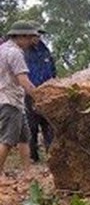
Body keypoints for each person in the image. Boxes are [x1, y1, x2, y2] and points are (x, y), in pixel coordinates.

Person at [0, 22, 39, 175]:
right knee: (7, 140)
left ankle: (27, 172)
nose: (31, 42)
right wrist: (39, 96)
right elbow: (23, 80)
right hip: (9, 100)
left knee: (24, 137)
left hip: (14, 100)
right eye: (29, 38)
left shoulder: (3, 48)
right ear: (21, 36)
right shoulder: (15, 53)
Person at [24, 27, 56, 162]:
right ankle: (33, 156)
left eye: (40, 35)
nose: (38, 37)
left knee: (48, 124)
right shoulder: (25, 52)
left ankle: (50, 154)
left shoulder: (45, 51)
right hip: (30, 92)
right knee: (32, 126)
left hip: (47, 91)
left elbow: (53, 69)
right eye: (35, 35)